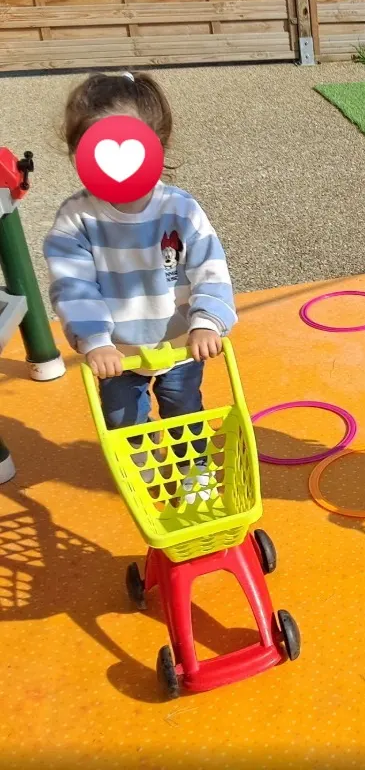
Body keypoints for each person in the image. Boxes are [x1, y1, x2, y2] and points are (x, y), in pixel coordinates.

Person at [44, 71, 236, 501]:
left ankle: (193, 470)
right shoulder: (77, 218)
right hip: (119, 350)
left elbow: (210, 267)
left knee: (185, 411)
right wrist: (95, 341)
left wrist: (208, 321)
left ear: (158, 145)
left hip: (180, 342)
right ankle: (142, 471)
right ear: (80, 153)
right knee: (123, 418)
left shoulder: (180, 209)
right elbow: (72, 284)